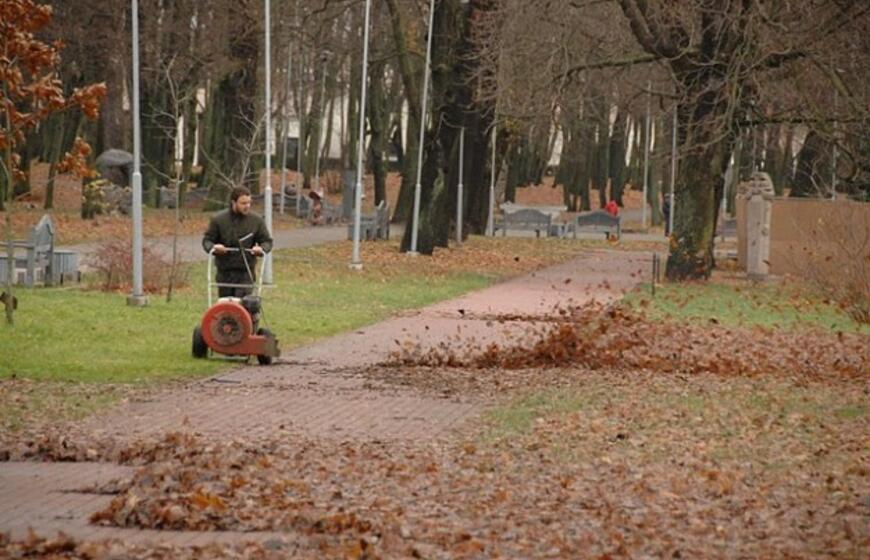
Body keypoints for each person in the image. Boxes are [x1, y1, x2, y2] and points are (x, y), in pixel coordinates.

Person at [202, 186, 273, 298]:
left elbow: (267, 242)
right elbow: (207, 241)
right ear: (233, 202)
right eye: (243, 203)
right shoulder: (218, 220)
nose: (247, 206)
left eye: (249, 203)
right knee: (226, 307)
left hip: (246, 272)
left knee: (244, 306)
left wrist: (262, 249)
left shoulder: (257, 221)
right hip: (224, 272)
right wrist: (214, 247)